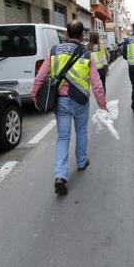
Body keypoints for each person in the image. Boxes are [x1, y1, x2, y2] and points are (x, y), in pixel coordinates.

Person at [32, 20, 108, 196]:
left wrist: (35, 95)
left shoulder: (54, 52)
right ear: (82, 36)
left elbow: (41, 76)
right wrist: (102, 105)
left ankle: (60, 175)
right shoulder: (86, 54)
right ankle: (81, 162)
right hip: (81, 101)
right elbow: (97, 85)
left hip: (62, 102)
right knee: (81, 132)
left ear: (67, 34)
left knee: (63, 137)